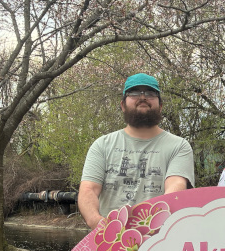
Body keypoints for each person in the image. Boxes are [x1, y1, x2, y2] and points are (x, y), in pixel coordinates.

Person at [78, 73, 195, 229]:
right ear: (123, 105)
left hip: (160, 239)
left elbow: (175, 188)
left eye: (150, 93)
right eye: (134, 93)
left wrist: (150, 231)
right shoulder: (102, 145)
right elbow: (88, 189)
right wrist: (99, 225)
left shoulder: (179, 146)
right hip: (108, 240)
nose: (143, 97)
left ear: (160, 106)